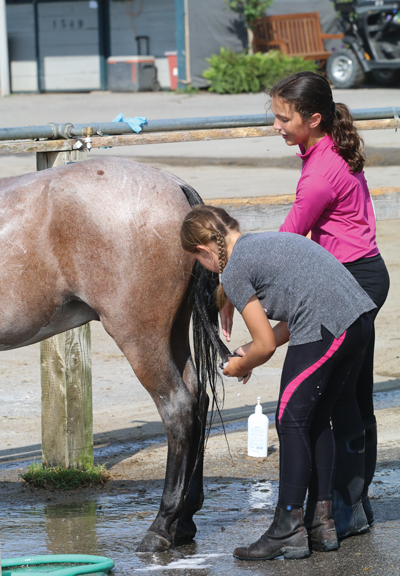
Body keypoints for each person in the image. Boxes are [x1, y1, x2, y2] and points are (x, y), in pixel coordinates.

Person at [180, 204, 376, 560]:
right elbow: (295, 314)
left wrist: (243, 364)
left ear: (204, 252)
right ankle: (321, 523)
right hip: (357, 320)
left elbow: (266, 345)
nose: (203, 270)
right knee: (315, 419)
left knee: (290, 420)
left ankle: (287, 526)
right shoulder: (260, 244)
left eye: (199, 263)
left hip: (329, 325)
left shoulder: (235, 269)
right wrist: (249, 350)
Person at [265, 71, 389, 537]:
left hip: (350, 280)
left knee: (336, 399)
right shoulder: (330, 146)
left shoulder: (319, 172)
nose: (276, 126)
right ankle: (354, 504)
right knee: (354, 394)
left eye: (283, 118)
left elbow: (286, 242)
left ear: (313, 118)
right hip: (363, 274)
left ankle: (342, 505)